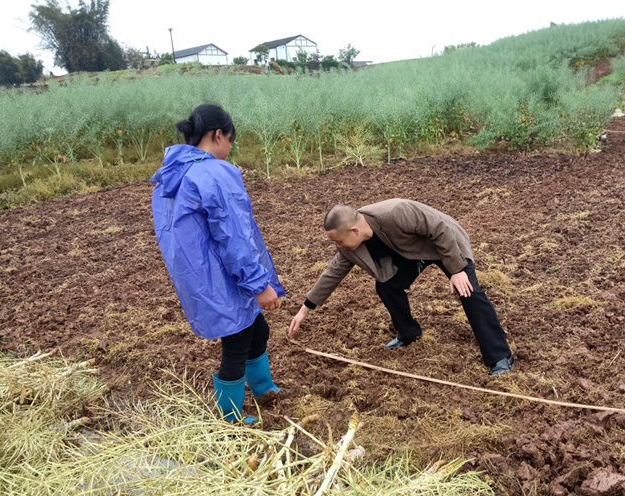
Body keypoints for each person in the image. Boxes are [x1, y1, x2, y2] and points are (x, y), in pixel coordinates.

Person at [151, 104, 286, 423]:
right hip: (225, 277)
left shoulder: (171, 176)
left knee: (257, 329)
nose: (229, 149)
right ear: (218, 135)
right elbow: (234, 236)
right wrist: (259, 284)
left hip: (200, 277)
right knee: (237, 342)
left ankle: (264, 389)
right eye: (230, 142)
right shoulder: (213, 172)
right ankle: (231, 419)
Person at [288, 200, 514, 375]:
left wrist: (456, 270)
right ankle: (409, 333)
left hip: (445, 244)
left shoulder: (395, 212)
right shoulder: (349, 247)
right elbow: (333, 272)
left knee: (468, 291)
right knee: (386, 285)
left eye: (338, 241)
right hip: (411, 254)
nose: (338, 247)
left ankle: (500, 356)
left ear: (354, 231)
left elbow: (440, 228)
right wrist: (306, 308)